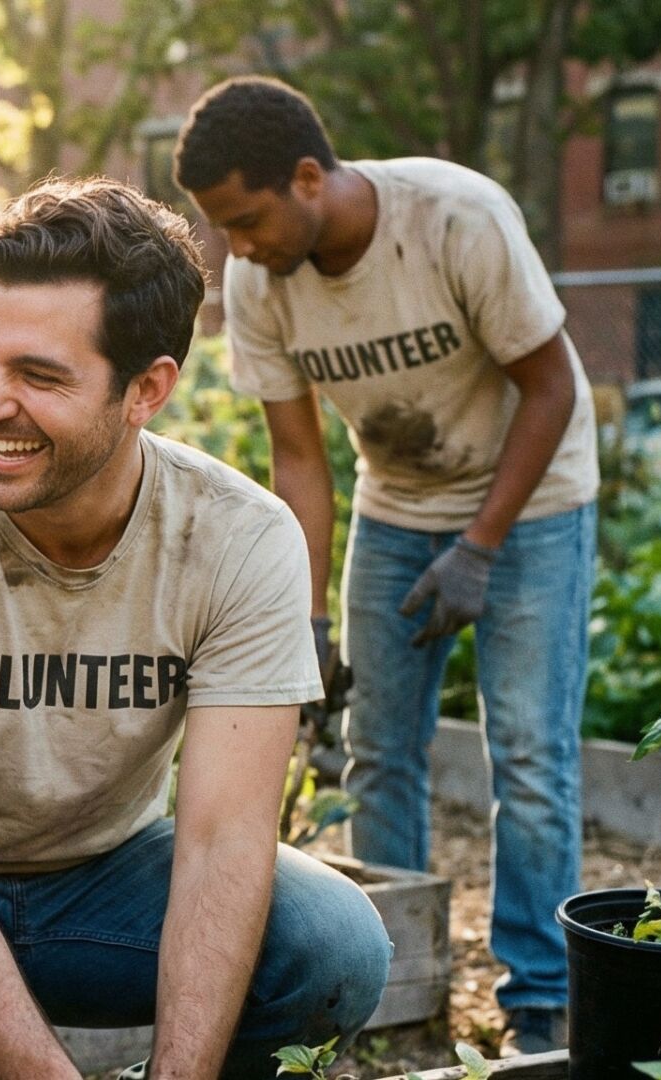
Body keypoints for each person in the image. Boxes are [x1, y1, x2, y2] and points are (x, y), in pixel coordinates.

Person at [0, 177, 391, 1080]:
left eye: (39, 376)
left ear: (147, 389)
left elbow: (222, 844)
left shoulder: (238, 538)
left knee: (335, 949)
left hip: (104, 875)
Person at [174, 76, 599, 1055]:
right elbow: (300, 459)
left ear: (310, 178)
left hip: (531, 503)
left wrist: (481, 548)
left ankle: (540, 1006)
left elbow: (551, 388)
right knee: (378, 747)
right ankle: (394, 983)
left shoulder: (458, 221)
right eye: (222, 230)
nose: (239, 248)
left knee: (529, 756)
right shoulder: (259, 281)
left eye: (246, 220)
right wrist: (304, 621)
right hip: (397, 506)